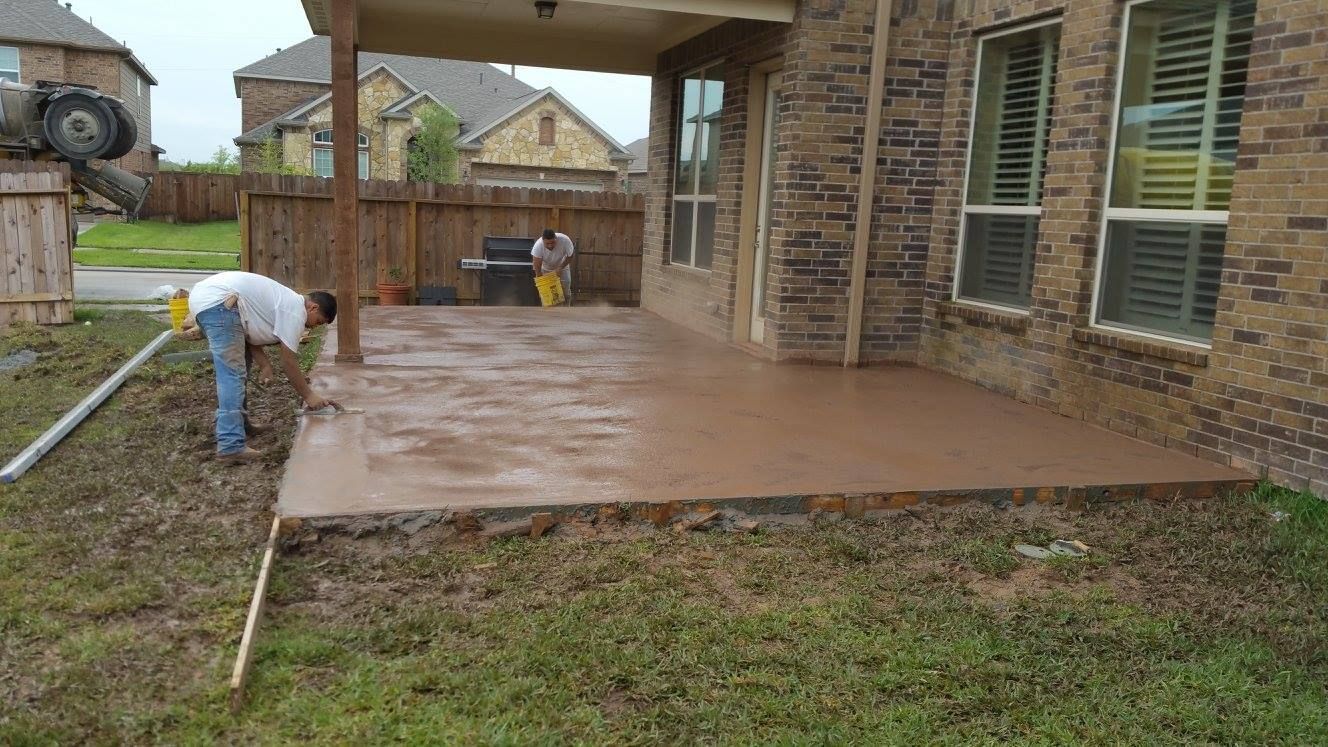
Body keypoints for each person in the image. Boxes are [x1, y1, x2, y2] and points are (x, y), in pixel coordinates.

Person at [187, 271, 339, 465]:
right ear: (313, 307)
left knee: (240, 369)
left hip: (216, 301)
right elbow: (288, 362)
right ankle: (230, 445)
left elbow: (250, 330)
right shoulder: (295, 310)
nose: (314, 327)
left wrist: (265, 364)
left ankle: (240, 426)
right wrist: (310, 396)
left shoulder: (284, 301)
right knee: (232, 374)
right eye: (318, 322)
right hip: (219, 304)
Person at [531, 228, 574, 304]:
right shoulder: (538, 246)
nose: (550, 245)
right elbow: (537, 265)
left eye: (553, 243)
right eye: (547, 244)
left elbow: (570, 256)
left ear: (556, 239)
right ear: (543, 241)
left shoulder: (565, 240)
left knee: (566, 290)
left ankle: (567, 309)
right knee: (548, 293)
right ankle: (549, 312)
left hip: (562, 266)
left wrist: (560, 267)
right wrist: (540, 279)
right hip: (545, 268)